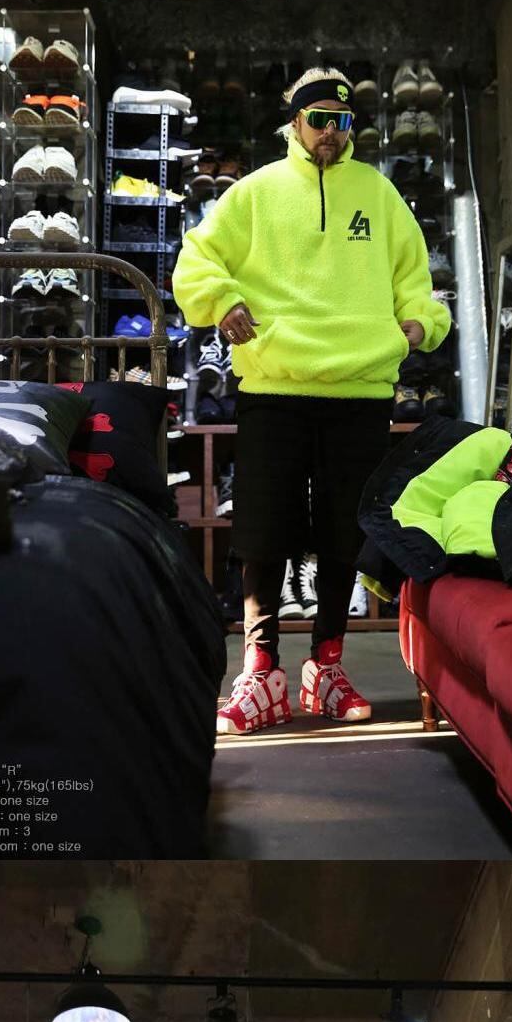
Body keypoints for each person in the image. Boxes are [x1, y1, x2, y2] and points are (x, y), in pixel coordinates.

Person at [172, 62, 450, 729]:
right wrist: (222, 301)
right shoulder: (255, 192)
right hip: (276, 381)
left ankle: (327, 665)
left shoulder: (379, 193)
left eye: (342, 120)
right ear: (294, 121)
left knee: (344, 531)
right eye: (319, 119)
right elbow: (197, 258)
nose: (331, 131)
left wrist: (419, 322)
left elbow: (415, 279)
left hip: (361, 385)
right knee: (262, 529)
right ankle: (260, 671)